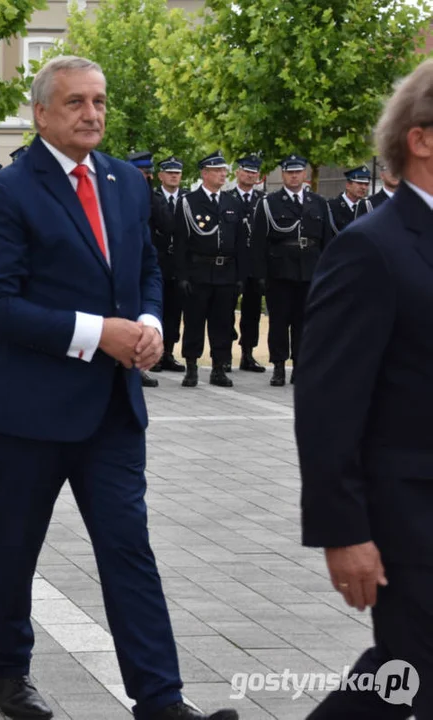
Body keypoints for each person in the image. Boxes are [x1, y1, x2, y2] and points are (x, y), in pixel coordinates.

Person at [0, 56, 237, 720]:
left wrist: (146, 322)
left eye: (99, 102)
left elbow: (145, 267)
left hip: (113, 410)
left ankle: (160, 699)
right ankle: (7, 673)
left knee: (128, 550)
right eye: (75, 103)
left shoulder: (122, 182)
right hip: (31, 411)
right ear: (40, 114)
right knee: (14, 547)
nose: (92, 114)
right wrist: (98, 333)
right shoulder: (9, 190)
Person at [295, 57, 433, 719]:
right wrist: (341, 530)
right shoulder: (371, 249)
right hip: (408, 521)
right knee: (407, 676)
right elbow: (326, 405)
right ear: (421, 138)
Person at [250, 154, 334, 387]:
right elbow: (258, 242)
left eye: (298, 171)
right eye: (289, 172)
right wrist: (260, 275)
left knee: (303, 322)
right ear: (283, 174)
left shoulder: (318, 203)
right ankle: (278, 366)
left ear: (305, 174)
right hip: (280, 272)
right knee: (279, 322)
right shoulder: (270, 203)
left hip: (310, 271)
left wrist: (326, 274)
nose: (294, 176)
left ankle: (300, 365)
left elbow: (327, 241)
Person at [173, 150, 246, 388]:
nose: (223, 174)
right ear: (205, 173)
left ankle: (219, 368)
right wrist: (182, 275)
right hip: (199, 271)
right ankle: (191, 367)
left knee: (223, 323)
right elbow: (181, 241)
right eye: (218, 170)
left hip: (225, 272)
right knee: (194, 321)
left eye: (225, 170)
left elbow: (240, 241)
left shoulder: (232, 202)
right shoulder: (189, 202)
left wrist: (240, 275)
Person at [226, 154, 266, 373]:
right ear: (238, 173)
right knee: (225, 310)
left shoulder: (264, 200)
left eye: (254, 172)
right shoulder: (228, 197)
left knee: (252, 312)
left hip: (254, 264)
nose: (250, 175)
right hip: (231, 264)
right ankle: (223, 353)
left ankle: (247, 354)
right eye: (246, 171)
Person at [128, 151, 163, 388]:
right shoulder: (122, 194)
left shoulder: (149, 197)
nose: (145, 177)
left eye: (148, 174)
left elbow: (166, 222)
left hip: (146, 261)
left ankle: (139, 367)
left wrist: (150, 194)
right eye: (141, 173)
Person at [151, 155, 187, 374]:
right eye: (170, 173)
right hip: (158, 262)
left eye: (177, 173)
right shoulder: (153, 198)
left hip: (180, 264)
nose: (174, 176)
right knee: (157, 309)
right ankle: (154, 354)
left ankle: (169, 353)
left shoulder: (188, 199)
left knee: (175, 311)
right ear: (160, 176)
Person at [327, 165, 374, 234]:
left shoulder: (367, 206)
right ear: (348, 185)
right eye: (359, 183)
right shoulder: (331, 206)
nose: (363, 187)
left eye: (366, 184)